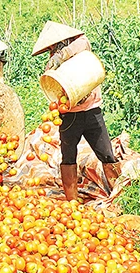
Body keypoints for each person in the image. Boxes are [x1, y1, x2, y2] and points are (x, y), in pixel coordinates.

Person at [32, 21, 120, 201]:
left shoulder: (80, 44)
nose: (53, 48)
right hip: (69, 114)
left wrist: (62, 55)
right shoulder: (53, 58)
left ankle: (117, 195)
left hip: (91, 110)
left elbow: (83, 44)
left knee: (106, 153)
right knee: (68, 155)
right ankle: (72, 200)